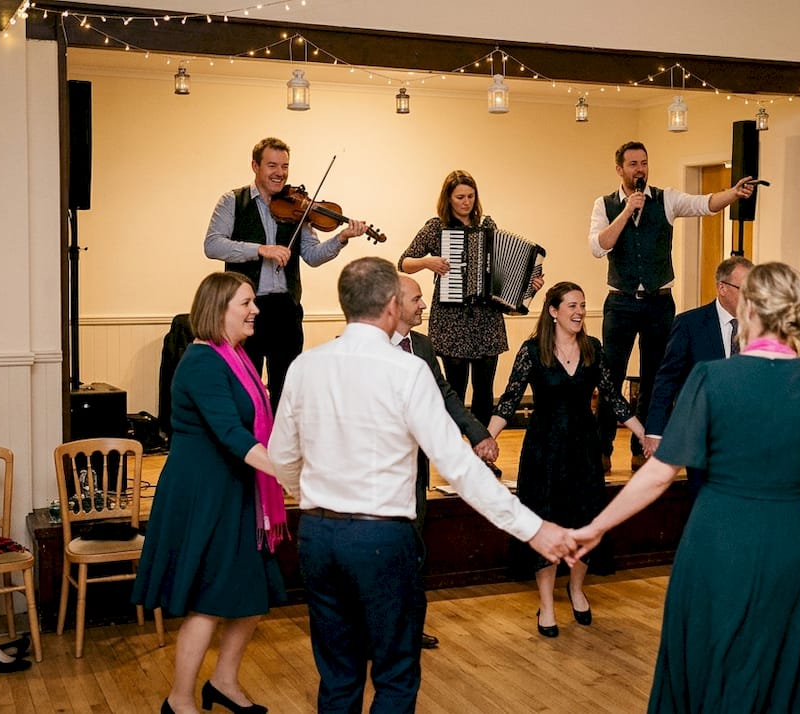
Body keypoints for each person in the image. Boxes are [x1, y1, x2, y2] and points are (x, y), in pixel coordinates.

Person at [569, 262, 800, 713]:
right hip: (785, 543)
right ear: (796, 313)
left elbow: (659, 472)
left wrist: (596, 527)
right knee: (778, 662)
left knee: (709, 657)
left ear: (747, 310)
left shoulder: (711, 378)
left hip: (715, 539)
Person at [268, 257, 574, 713]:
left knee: (337, 674)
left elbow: (281, 460)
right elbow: (459, 467)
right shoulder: (405, 370)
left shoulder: (305, 367)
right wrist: (532, 527)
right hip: (381, 538)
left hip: (317, 536)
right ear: (391, 306)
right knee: (394, 674)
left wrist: (316, 496)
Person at [133, 272, 287, 714]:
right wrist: (290, 474)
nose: (254, 310)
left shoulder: (236, 357)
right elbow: (230, 434)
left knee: (253, 594)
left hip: (236, 488)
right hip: (204, 492)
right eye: (246, 303)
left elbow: (259, 425)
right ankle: (179, 700)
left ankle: (222, 681)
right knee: (209, 598)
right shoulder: (202, 361)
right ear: (219, 309)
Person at [486, 281, 646, 638]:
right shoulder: (532, 351)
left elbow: (613, 396)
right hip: (543, 451)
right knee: (545, 519)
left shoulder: (593, 349)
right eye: (571, 305)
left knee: (583, 518)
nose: (578, 312)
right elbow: (510, 399)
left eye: (582, 305)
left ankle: (576, 588)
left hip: (584, 450)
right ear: (553, 311)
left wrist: (640, 430)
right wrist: (486, 438)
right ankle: (545, 602)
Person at [589, 140, 755, 471]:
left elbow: (703, 204)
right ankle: (602, 446)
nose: (640, 169)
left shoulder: (666, 199)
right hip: (620, 302)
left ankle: (645, 445)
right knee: (611, 374)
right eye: (633, 164)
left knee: (656, 375)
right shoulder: (604, 204)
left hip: (658, 303)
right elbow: (599, 246)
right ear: (620, 169)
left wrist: (733, 194)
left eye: (644, 163)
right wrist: (627, 210)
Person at [203, 136, 369, 406]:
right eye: (272, 165)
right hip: (245, 308)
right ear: (255, 166)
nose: (279, 173)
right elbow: (212, 245)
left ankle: (282, 447)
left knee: (287, 390)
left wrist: (341, 238)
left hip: (285, 309)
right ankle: (249, 446)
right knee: (246, 389)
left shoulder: (297, 207)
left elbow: (313, 256)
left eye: (284, 166)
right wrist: (260, 249)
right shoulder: (233, 201)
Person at [392, 275, 501, 650]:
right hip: (377, 474)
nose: (424, 304)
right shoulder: (365, 346)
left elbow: (444, 393)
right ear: (393, 303)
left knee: (414, 548)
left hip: (415, 470)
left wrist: (478, 432)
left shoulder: (422, 345)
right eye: (417, 298)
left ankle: (409, 626)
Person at [399, 170, 526, 426]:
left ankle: (483, 452)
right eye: (460, 197)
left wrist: (525, 282)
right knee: (454, 391)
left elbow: (501, 266)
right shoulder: (436, 228)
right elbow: (404, 263)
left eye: (470, 196)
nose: (466, 202)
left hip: (486, 319)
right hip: (451, 319)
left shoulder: (487, 226)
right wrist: (427, 262)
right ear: (448, 199)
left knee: (484, 391)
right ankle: (454, 452)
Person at [643, 255, 753, 495]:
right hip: (702, 438)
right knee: (705, 504)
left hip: (748, 438)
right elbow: (667, 379)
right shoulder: (690, 324)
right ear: (722, 288)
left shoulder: (760, 327)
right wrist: (654, 430)